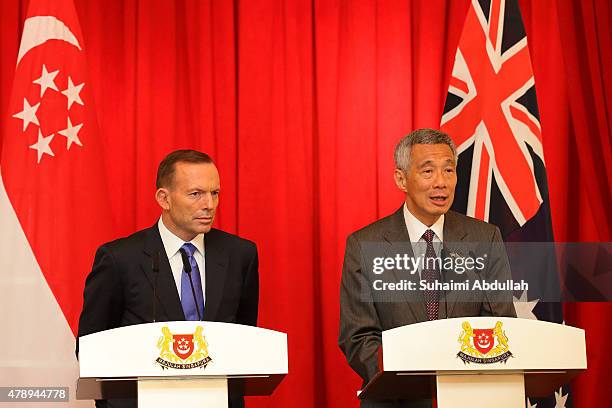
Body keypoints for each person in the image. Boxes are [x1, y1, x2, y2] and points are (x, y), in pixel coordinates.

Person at [338, 129, 516, 408]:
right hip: (396, 400)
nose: (441, 183)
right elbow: (358, 337)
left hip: (470, 397)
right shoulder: (364, 244)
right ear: (401, 179)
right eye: (428, 171)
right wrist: (412, 378)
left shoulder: (485, 238)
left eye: (449, 170)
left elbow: (499, 324)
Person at [77, 150, 259, 408]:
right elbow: (91, 347)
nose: (209, 204)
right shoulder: (119, 259)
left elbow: (244, 336)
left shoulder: (240, 255)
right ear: (164, 198)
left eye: (214, 193)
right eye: (195, 194)